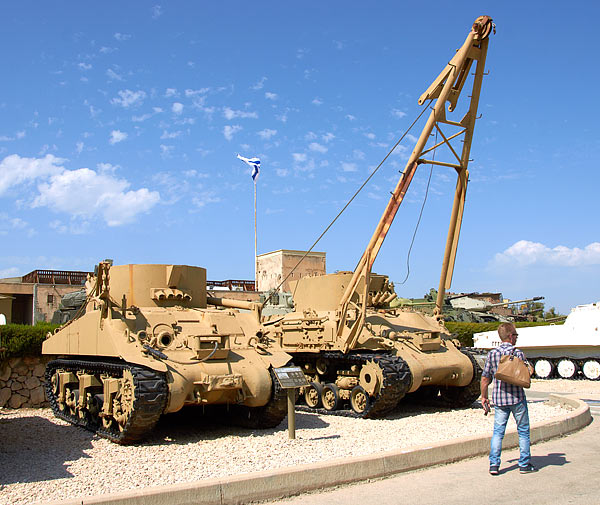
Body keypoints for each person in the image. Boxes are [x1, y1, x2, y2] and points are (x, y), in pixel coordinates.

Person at [480, 322, 536, 475]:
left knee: (498, 432)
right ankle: (524, 464)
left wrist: (484, 397)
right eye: (516, 335)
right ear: (510, 337)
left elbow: (485, 379)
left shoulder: (492, 354)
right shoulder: (518, 353)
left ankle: (494, 464)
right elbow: (527, 373)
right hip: (517, 398)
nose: (517, 338)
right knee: (523, 431)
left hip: (499, 400)